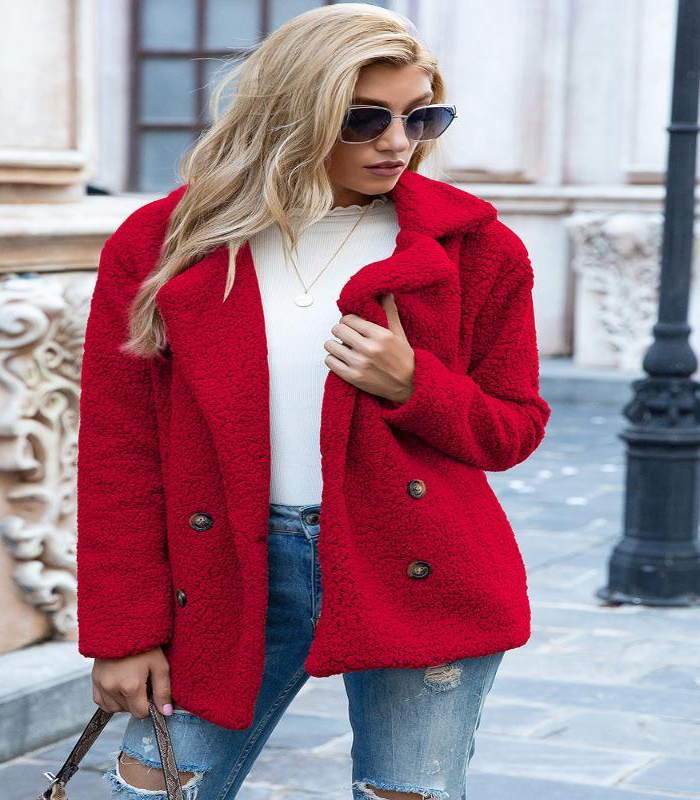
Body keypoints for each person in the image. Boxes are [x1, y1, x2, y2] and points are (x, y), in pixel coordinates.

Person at [75, 4, 551, 799]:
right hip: (225, 569)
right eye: (365, 120)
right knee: (154, 784)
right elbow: (119, 454)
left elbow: (514, 428)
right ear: (295, 114)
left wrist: (415, 386)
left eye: (421, 117)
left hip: (417, 566)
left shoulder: (474, 249)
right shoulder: (166, 245)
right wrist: (123, 631)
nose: (398, 143)